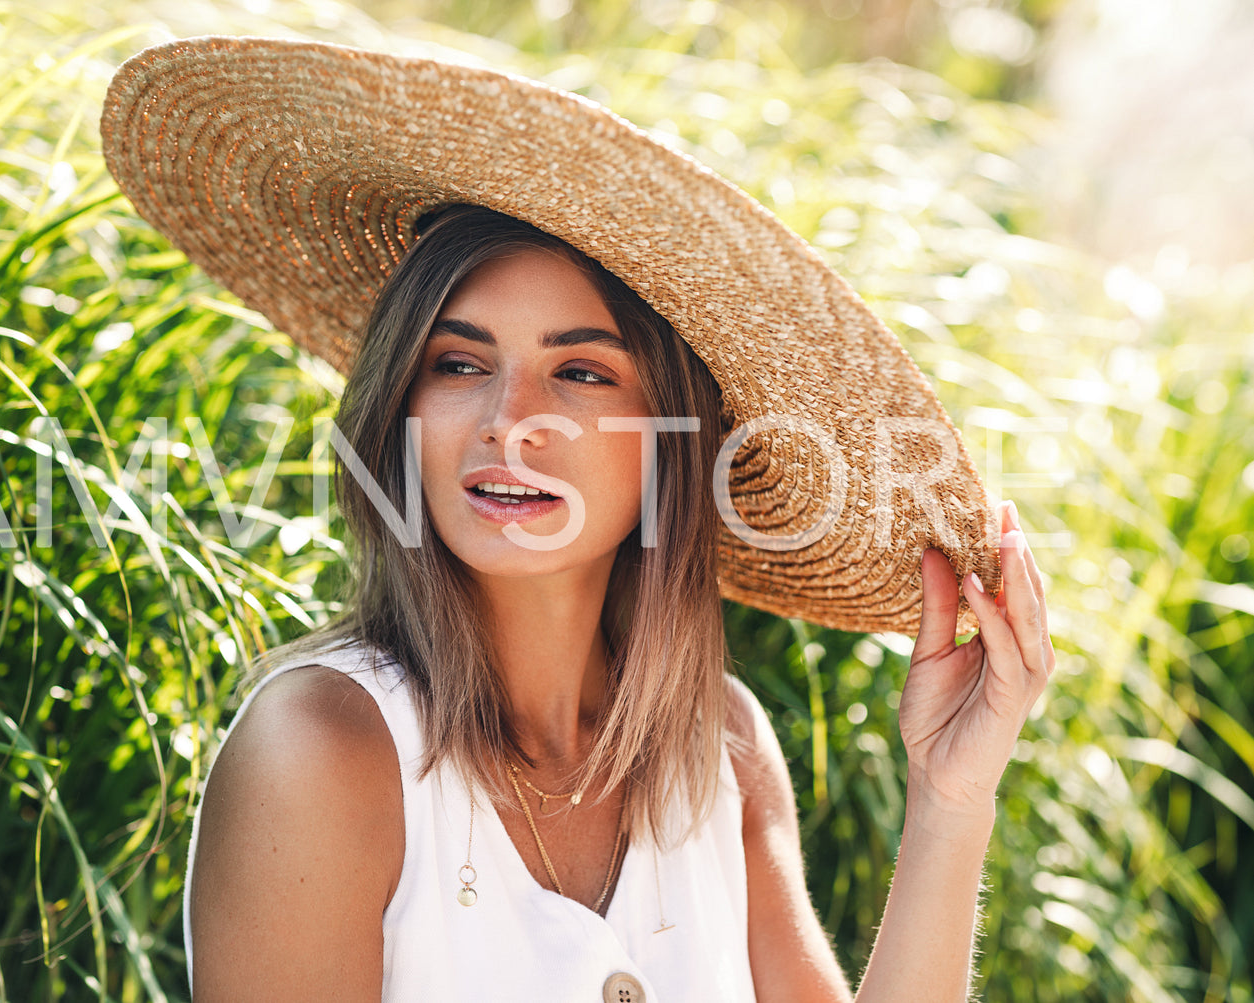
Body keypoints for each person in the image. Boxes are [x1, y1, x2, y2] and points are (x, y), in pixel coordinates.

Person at [101, 36, 1055, 1002]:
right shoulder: (322, 748)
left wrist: (946, 798)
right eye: (459, 363)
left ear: (673, 441)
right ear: (401, 404)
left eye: (581, 372)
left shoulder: (718, 749)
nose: (509, 421)